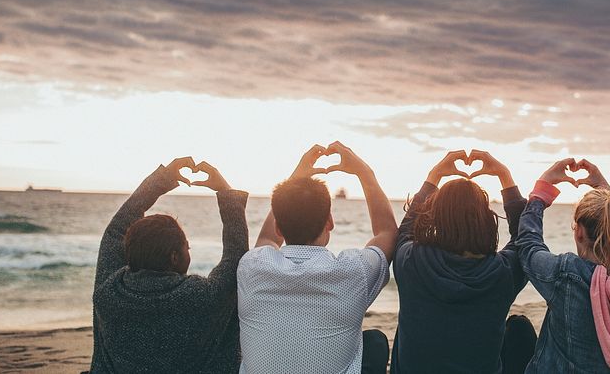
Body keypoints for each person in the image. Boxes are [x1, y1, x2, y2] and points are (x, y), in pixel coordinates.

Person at [237, 141, 398, 374]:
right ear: (330, 222)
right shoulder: (353, 271)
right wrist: (365, 173)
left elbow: (266, 239)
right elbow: (388, 233)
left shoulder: (252, 266)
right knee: (374, 342)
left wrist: (296, 178)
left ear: (279, 228)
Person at [89, 157, 249, 374]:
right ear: (174, 257)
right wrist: (224, 190)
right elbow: (236, 256)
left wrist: (161, 180)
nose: (188, 252)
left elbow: (115, 231)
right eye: (187, 248)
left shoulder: (109, 292)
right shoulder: (202, 296)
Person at [391, 149, 536, 374]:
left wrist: (435, 175)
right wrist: (504, 176)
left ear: (434, 215)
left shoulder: (411, 261)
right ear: (486, 219)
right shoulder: (503, 273)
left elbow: (405, 232)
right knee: (519, 328)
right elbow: (523, 239)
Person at [516, 157, 610, 373]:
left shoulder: (567, 276)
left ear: (579, 232)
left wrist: (542, 188)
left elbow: (528, 246)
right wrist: (603, 187)